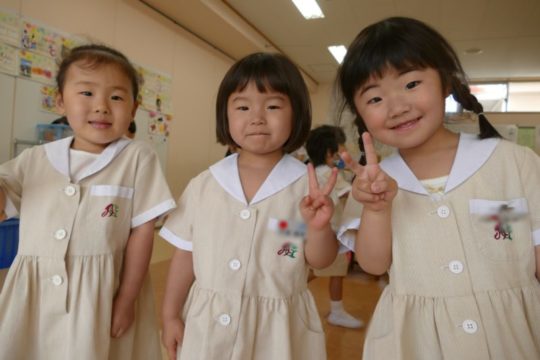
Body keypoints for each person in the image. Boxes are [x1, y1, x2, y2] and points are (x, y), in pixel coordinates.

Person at [335, 17, 540, 360]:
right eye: (374, 99)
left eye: (412, 84)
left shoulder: (512, 162)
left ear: (446, 81)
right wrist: (376, 210)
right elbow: (372, 264)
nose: (398, 107)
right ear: (360, 114)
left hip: (513, 336)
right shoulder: (373, 183)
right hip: (416, 341)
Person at [0, 44, 176, 359]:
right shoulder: (34, 158)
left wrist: (126, 299)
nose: (101, 106)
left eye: (117, 97)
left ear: (133, 110)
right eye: (86, 94)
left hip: (102, 296)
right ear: (60, 101)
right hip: (35, 293)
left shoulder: (136, 157)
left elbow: (143, 232)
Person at [160, 52, 339, 360]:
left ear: (296, 115)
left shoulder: (307, 188)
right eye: (243, 107)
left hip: (278, 331)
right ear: (225, 116)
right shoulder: (204, 184)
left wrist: (317, 228)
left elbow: (317, 260)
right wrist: (170, 314)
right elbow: (185, 254)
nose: (257, 117)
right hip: (207, 326)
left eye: (272, 106)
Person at [305, 125, 363, 329]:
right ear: (330, 154)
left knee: (308, 268)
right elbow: (349, 193)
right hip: (330, 234)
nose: (343, 156)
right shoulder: (331, 173)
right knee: (336, 271)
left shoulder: (313, 172)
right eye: (341, 151)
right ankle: (336, 311)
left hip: (307, 232)